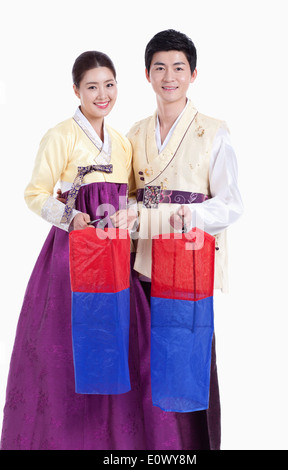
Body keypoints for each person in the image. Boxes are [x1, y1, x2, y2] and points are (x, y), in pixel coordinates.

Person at [0, 51, 136, 450]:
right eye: (92, 86)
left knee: (112, 343)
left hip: (113, 257)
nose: (102, 94)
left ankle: (112, 441)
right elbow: (34, 193)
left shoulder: (123, 143)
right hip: (72, 255)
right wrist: (70, 217)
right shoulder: (61, 135)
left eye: (109, 84)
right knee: (65, 345)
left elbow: (125, 198)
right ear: (76, 90)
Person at [127, 29, 244, 450]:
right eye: (160, 67)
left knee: (187, 367)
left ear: (193, 74)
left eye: (178, 67)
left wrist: (184, 215)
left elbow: (231, 204)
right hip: (141, 266)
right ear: (147, 75)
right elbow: (126, 202)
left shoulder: (213, 132)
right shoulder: (135, 134)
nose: (169, 76)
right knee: (142, 369)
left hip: (189, 265)